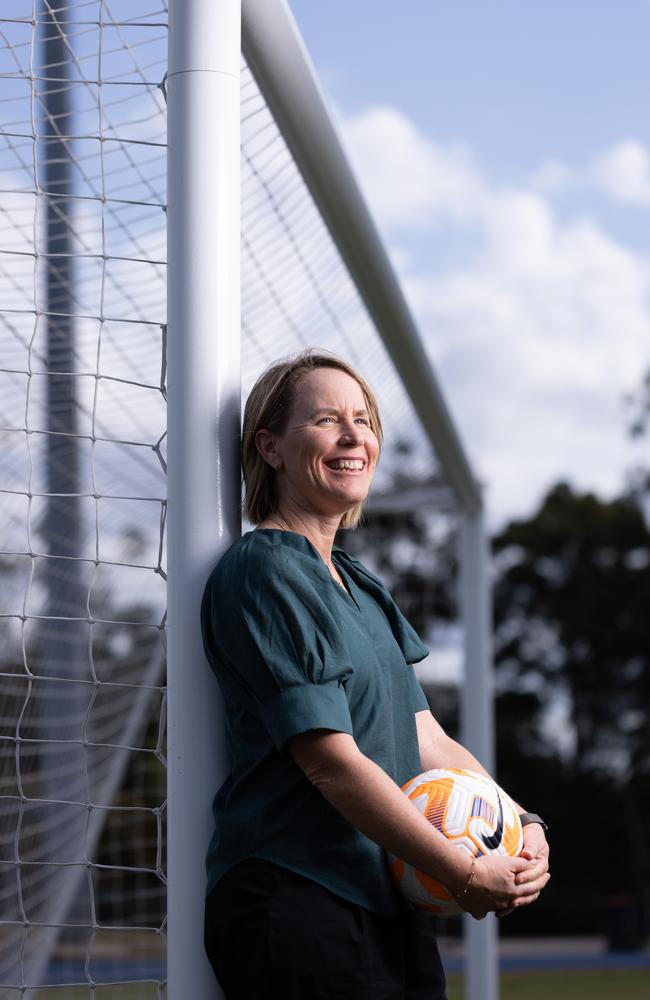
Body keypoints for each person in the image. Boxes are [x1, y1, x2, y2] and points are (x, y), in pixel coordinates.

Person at [200, 350, 550, 999]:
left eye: (363, 419)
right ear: (270, 446)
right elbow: (330, 760)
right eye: (328, 419)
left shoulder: (360, 583)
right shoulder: (264, 570)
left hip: (388, 900)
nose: (354, 435)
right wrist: (464, 872)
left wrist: (523, 824)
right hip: (299, 893)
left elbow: (429, 740)